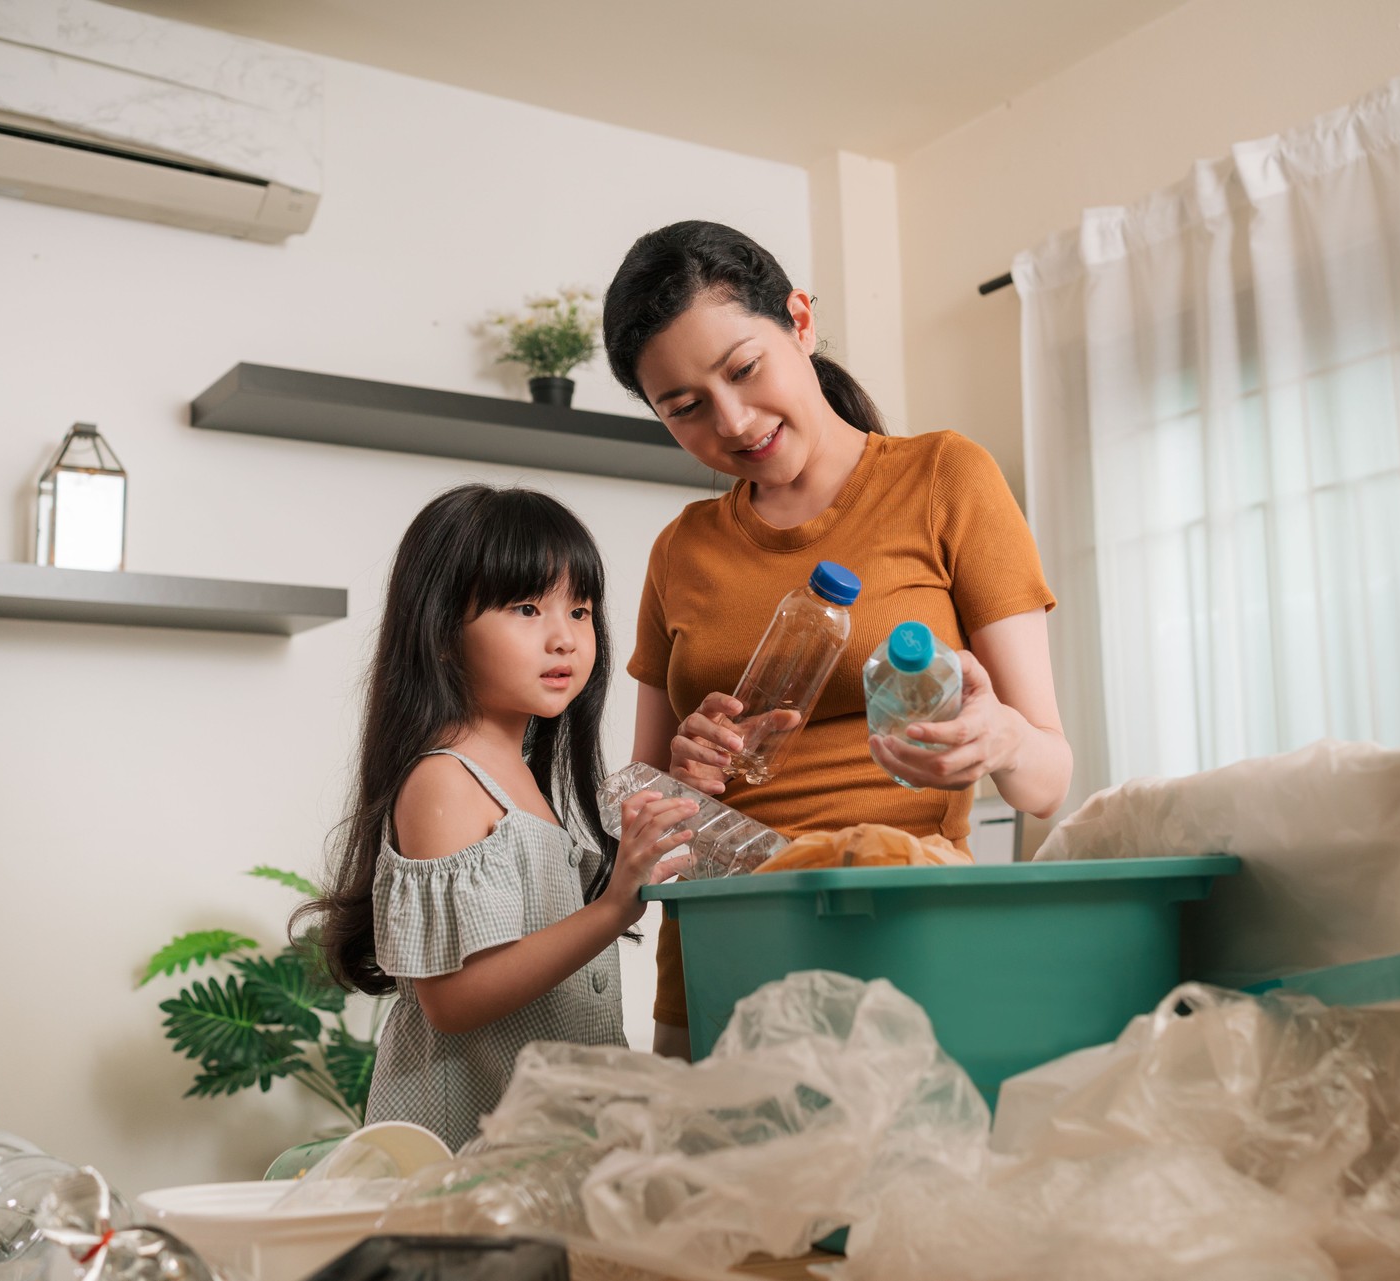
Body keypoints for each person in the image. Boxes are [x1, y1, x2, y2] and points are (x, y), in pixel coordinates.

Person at [603, 221, 1073, 1057]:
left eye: (744, 369)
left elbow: (1046, 782)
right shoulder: (681, 548)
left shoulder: (944, 478)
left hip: (902, 915)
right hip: (724, 934)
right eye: (685, 409)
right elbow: (642, 796)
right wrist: (682, 772)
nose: (735, 421)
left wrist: (997, 733)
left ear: (800, 321)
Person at [302, 483, 697, 1149]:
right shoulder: (445, 780)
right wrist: (613, 908)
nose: (564, 638)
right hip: (465, 1153)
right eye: (526, 607)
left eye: (579, 610)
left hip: (530, 1148)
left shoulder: (519, 777)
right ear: (443, 629)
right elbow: (453, 1001)